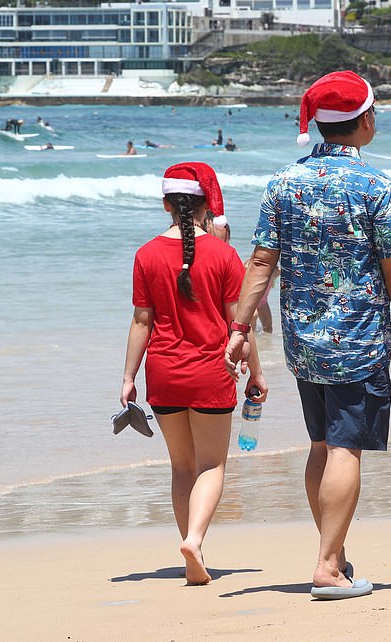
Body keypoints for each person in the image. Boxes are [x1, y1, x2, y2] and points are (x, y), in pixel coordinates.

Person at [224, 70, 391, 600]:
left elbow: (262, 260)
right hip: (359, 339)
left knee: (321, 445)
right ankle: (329, 567)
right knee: (346, 448)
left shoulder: (284, 182)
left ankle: (332, 553)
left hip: (303, 341)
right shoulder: (377, 185)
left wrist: (239, 328)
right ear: (364, 121)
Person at [120, 162, 267, 585]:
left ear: (165, 204)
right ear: (204, 205)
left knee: (182, 468)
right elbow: (240, 324)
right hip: (210, 372)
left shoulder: (146, 254)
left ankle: (189, 545)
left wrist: (128, 377)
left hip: (163, 373)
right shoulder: (223, 255)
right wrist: (255, 372)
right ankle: (196, 542)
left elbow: (141, 322)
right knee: (212, 466)